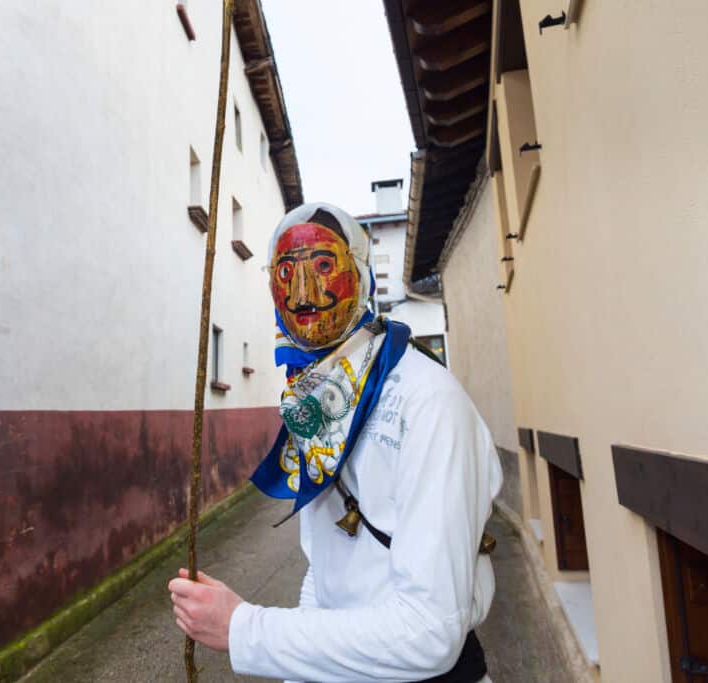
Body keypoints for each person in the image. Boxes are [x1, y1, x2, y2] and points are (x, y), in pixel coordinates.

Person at [169, 202, 503, 682]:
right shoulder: (323, 399)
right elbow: (323, 574)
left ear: (361, 274)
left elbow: (431, 632)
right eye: (286, 273)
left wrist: (244, 628)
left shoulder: (427, 401)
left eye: (323, 266)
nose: (303, 294)